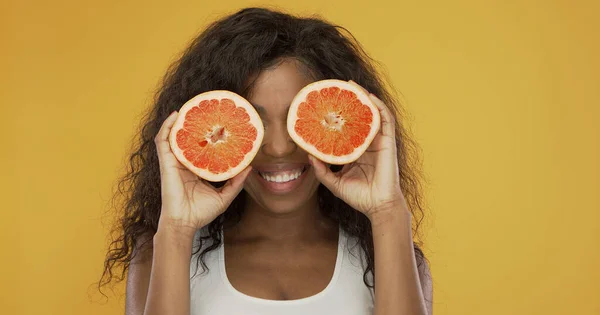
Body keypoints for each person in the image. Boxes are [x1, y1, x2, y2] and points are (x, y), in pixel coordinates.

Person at [100, 7, 432, 315]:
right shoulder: (160, 254)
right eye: (254, 123)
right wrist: (176, 229)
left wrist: (388, 212)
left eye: (296, 121)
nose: (277, 148)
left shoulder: (391, 254)